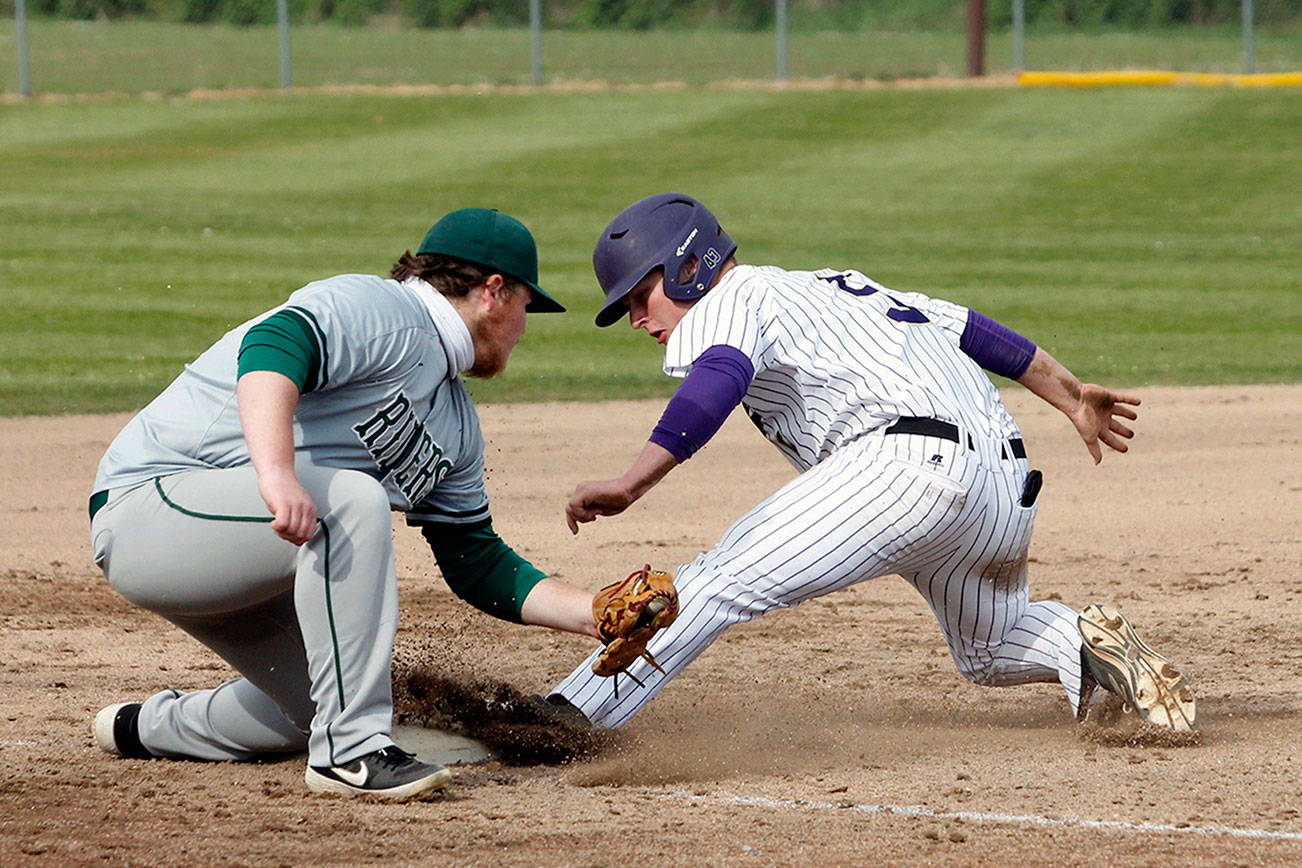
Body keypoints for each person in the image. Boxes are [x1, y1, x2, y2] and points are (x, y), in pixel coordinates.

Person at [548, 192, 1197, 734]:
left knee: (713, 583)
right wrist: (1072, 395)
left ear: (688, 264)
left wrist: (634, 481)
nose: (636, 319)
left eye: (640, 295)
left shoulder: (731, 302)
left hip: (903, 468)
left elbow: (718, 377)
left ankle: (563, 722)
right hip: (1001, 480)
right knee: (992, 648)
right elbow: (970, 329)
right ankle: (1091, 645)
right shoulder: (834, 286)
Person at [88, 208, 600, 802]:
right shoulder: (384, 310)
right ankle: (350, 755)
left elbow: (475, 561)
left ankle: (142, 727)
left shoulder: (456, 423)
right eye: (526, 307)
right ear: (493, 292)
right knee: (351, 501)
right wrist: (276, 474)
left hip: (250, 552)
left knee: (321, 698)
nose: (524, 329)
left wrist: (593, 612)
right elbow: (273, 345)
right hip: (152, 507)